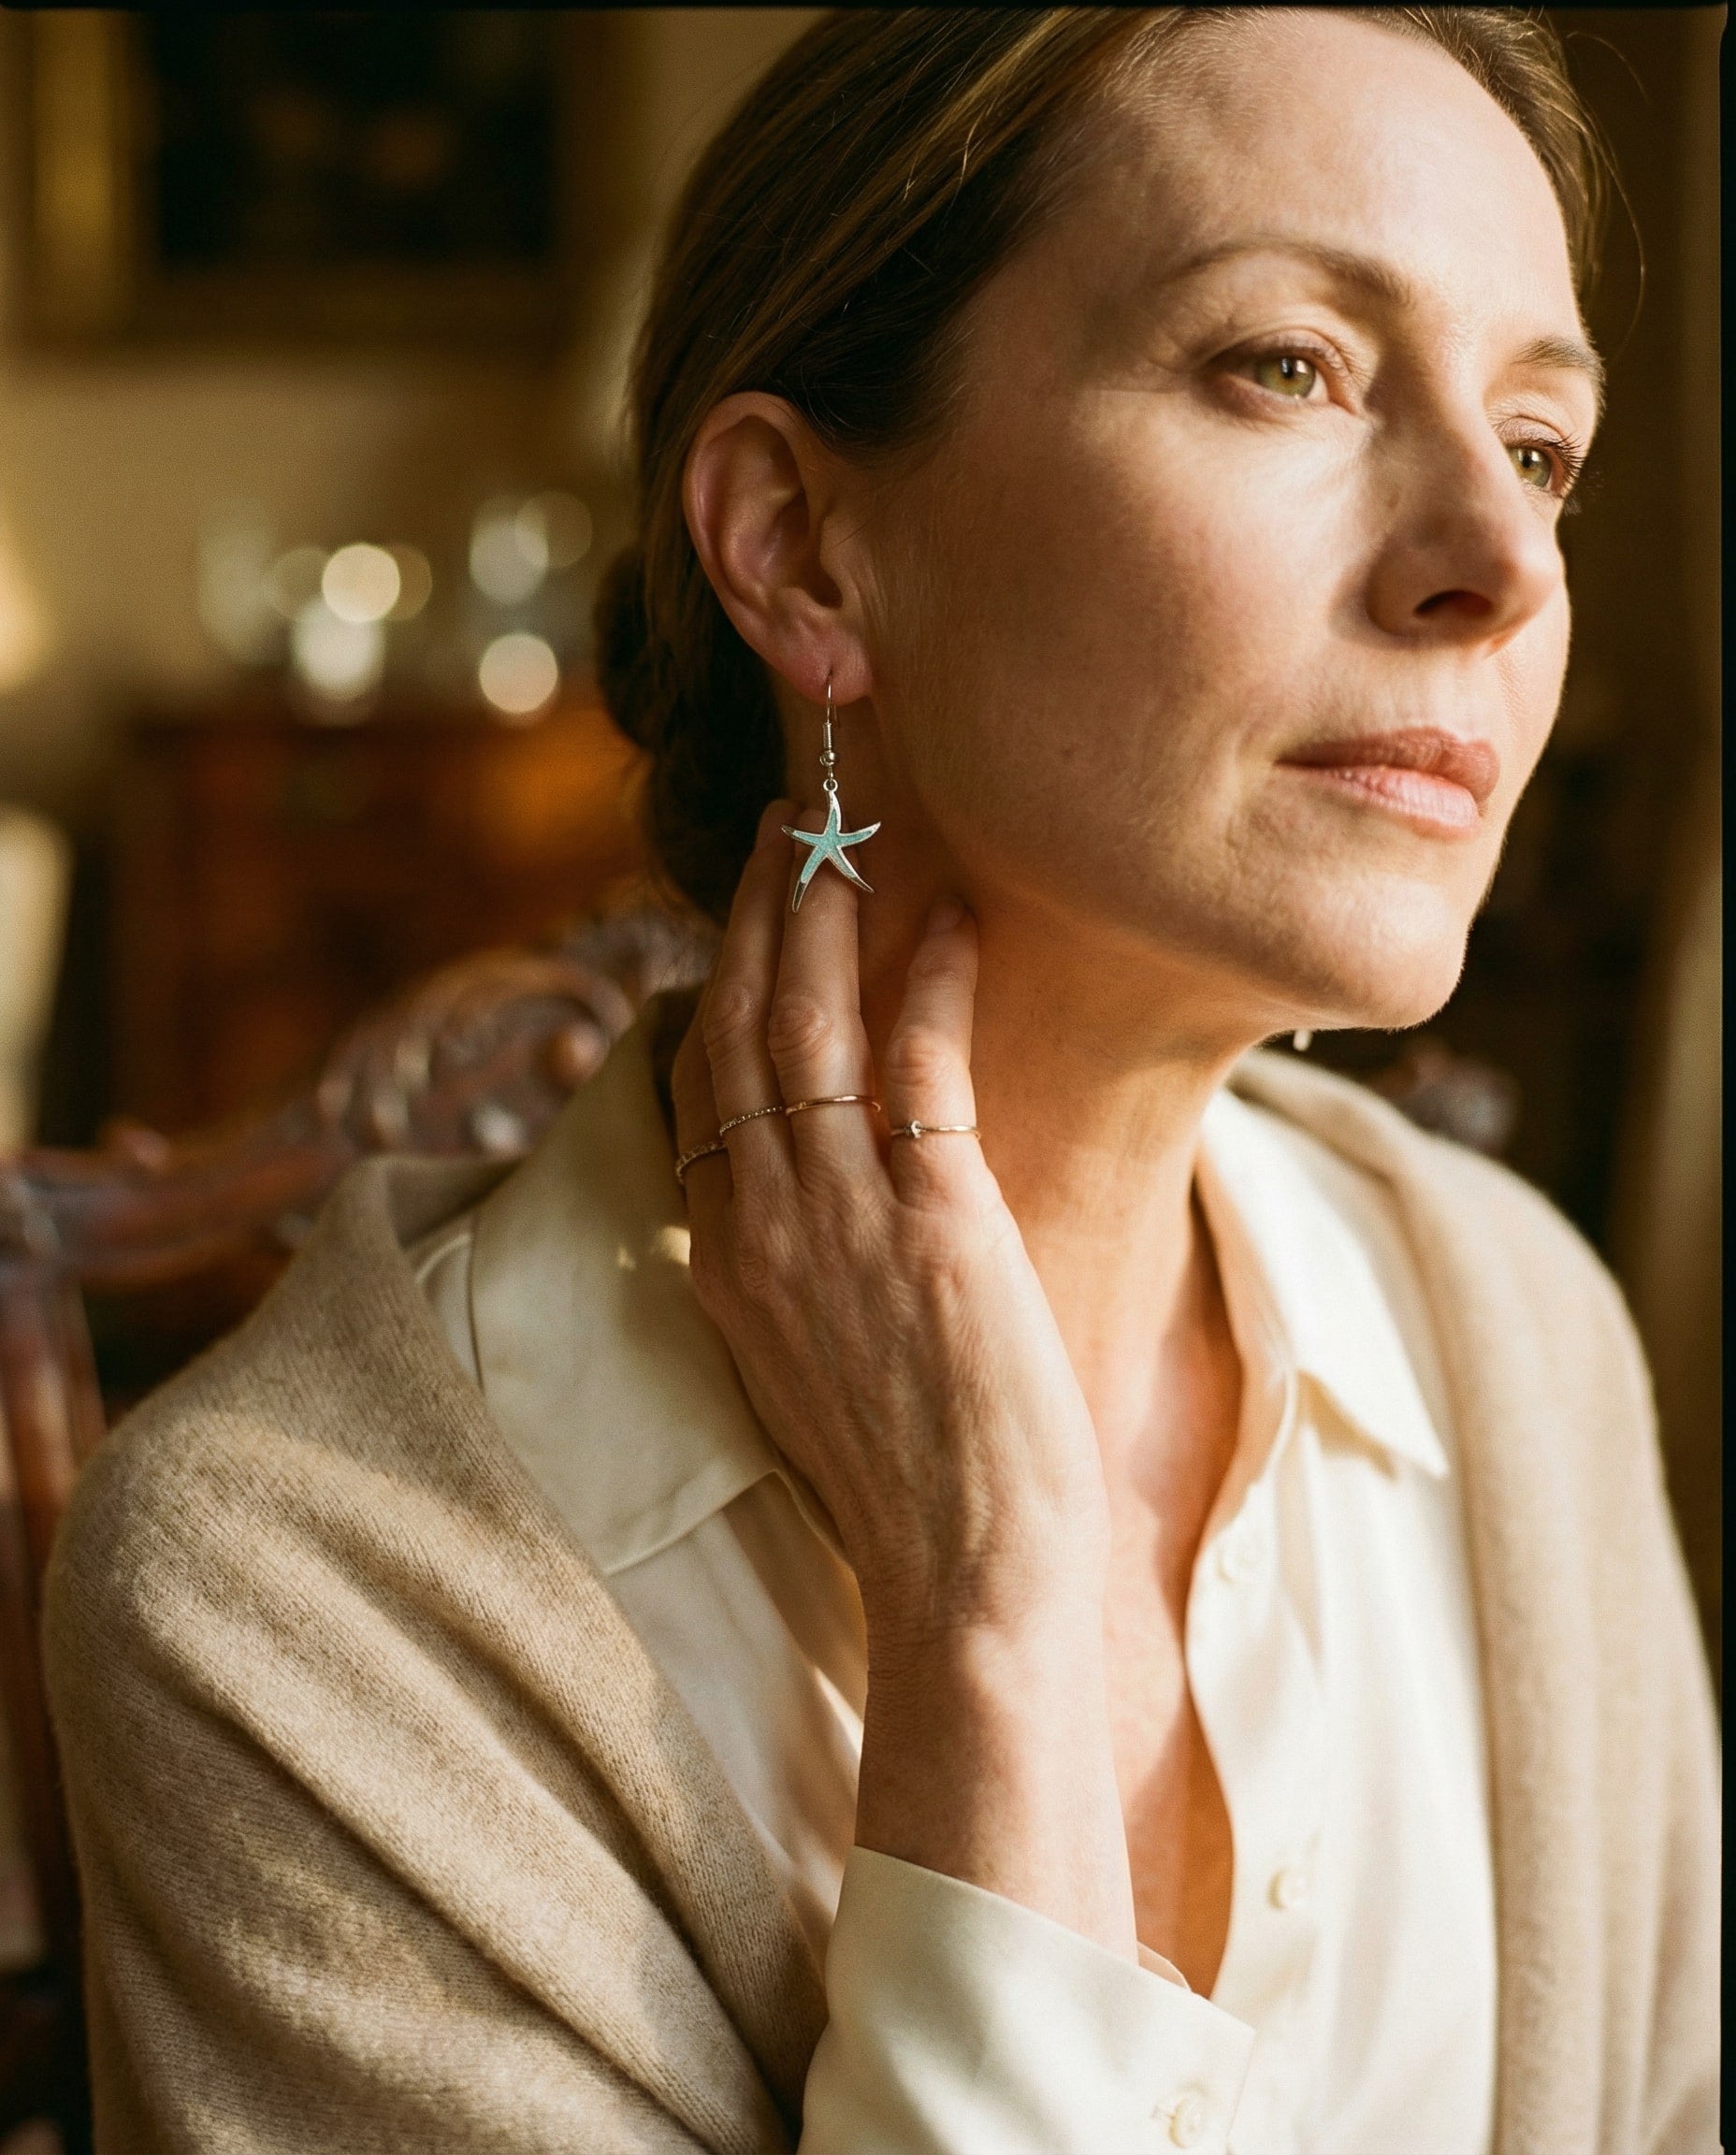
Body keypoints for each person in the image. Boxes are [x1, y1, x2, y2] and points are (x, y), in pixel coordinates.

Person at [45, 10, 1717, 2153]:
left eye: (1544, 442)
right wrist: (986, 1619)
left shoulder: (1514, 1335)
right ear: (801, 546)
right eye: (1286, 365)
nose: (1500, 561)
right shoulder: (292, 1606)